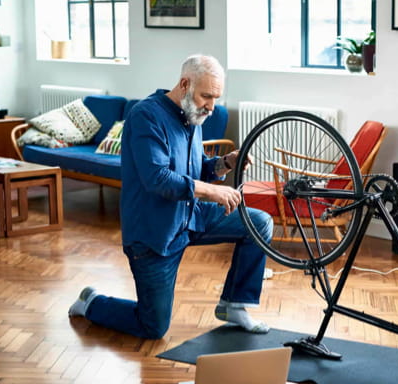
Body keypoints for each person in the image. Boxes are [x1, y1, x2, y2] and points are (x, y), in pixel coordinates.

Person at [68, 54, 274, 339]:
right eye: (207, 96)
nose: (212, 106)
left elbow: (197, 167)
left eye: (216, 97)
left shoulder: (193, 114)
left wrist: (226, 162)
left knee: (259, 223)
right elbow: (158, 179)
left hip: (191, 218)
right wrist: (213, 191)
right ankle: (92, 302)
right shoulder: (145, 115)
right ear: (185, 84)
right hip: (154, 235)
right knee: (153, 327)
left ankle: (234, 305)